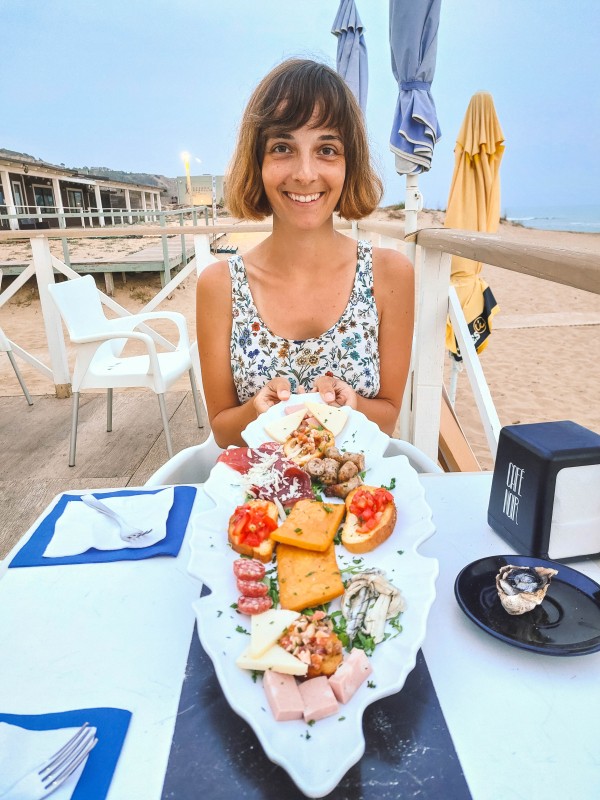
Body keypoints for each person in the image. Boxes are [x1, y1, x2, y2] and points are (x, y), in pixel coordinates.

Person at [196, 59, 414, 448]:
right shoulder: (220, 285)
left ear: (350, 164)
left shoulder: (390, 274)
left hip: (356, 502)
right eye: (283, 147)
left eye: (327, 149)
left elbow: (388, 420)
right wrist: (255, 412)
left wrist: (355, 404)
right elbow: (223, 431)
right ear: (257, 162)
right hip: (256, 502)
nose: (305, 173)